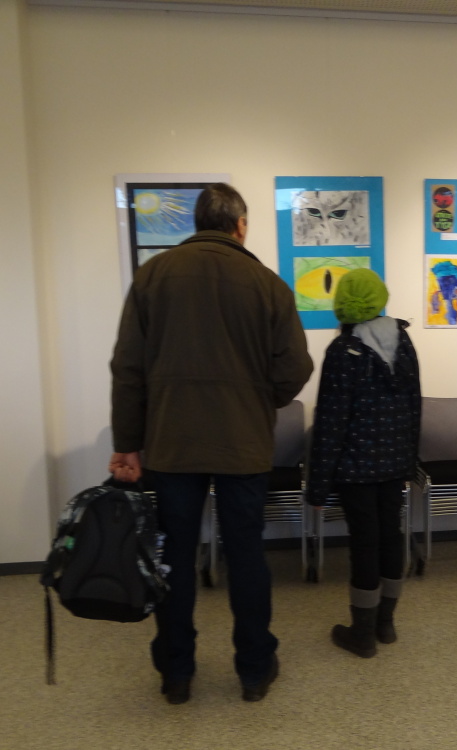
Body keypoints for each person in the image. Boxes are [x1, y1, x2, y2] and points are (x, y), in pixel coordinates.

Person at [109, 183, 313, 704]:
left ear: (196, 223)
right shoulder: (267, 284)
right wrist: (259, 399)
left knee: (175, 557)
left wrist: (128, 443)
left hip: (172, 443)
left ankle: (176, 673)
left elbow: (128, 367)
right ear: (240, 226)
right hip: (242, 443)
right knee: (246, 555)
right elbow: (295, 366)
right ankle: (254, 670)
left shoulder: (152, 276)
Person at [305, 269, 421, 658]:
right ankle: (385, 623)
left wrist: (317, 486)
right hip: (393, 465)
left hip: (355, 471)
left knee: (365, 545)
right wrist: (409, 462)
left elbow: (330, 422)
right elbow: (415, 407)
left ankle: (363, 633)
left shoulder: (344, 351)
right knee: (391, 537)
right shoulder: (403, 341)